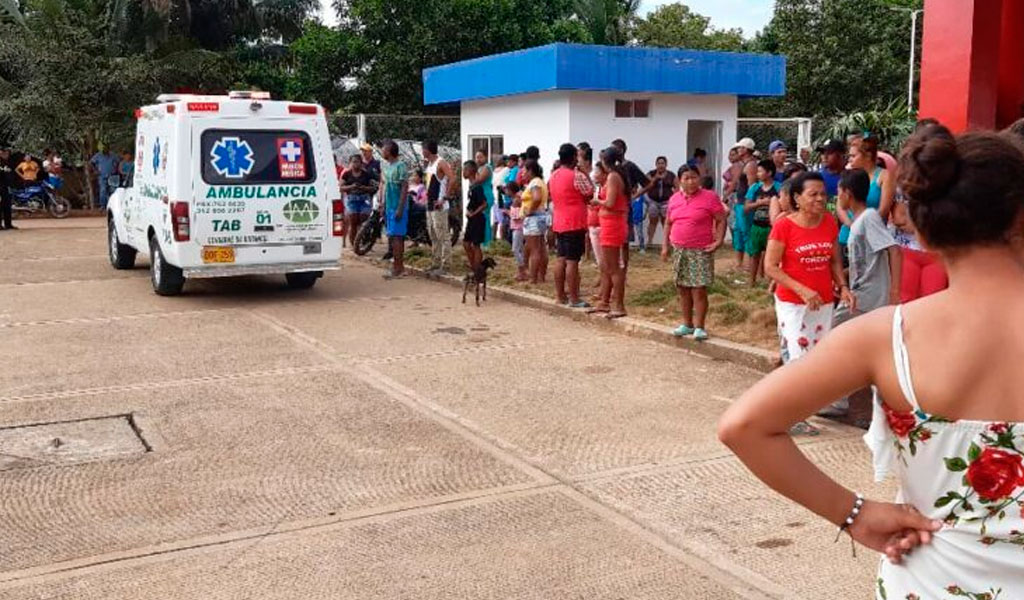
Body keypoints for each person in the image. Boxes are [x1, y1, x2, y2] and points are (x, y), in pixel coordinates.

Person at [719, 124, 1024, 599]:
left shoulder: (886, 336)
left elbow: (744, 425)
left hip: (930, 581)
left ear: (920, 226)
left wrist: (853, 513)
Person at [763, 172, 854, 435]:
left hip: (823, 302)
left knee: (815, 361)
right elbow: (770, 266)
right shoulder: (784, 225)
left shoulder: (828, 222)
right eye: (812, 194)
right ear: (797, 198)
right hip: (793, 303)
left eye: (823, 194)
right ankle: (789, 416)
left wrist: (843, 286)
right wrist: (802, 289)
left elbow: (834, 259)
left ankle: (791, 409)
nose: (820, 199)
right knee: (797, 358)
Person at [662, 165, 726, 341]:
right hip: (679, 249)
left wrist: (719, 241)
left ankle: (700, 326)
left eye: (693, 177)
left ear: (699, 178)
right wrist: (665, 246)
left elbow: (721, 220)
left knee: (698, 289)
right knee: (683, 288)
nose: (690, 181)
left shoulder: (710, 197)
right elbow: (668, 223)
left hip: (700, 250)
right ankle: (687, 324)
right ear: (680, 181)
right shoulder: (674, 199)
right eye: (686, 178)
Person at [549, 143, 594, 308]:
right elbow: (589, 193)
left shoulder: (554, 175)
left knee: (560, 258)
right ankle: (574, 298)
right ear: (574, 157)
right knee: (573, 261)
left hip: (559, 221)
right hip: (575, 221)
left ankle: (560, 295)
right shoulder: (576, 175)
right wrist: (584, 172)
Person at [588, 148, 630, 319]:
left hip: (613, 224)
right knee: (606, 266)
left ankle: (619, 305)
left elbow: (611, 202)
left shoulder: (613, 176)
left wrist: (598, 201)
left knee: (613, 268)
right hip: (608, 223)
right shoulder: (615, 176)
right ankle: (604, 302)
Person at [838, 136, 894, 261]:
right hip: (847, 236)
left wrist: (864, 227)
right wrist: (852, 226)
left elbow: (884, 209)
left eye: (853, 156)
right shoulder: (848, 174)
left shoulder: (884, 176)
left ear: (868, 156)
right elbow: (840, 206)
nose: (850, 160)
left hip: (872, 238)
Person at [891, 196, 947, 302]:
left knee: (934, 301)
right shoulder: (902, 186)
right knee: (904, 301)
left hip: (936, 253)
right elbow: (900, 220)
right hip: (907, 251)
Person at [610, 139, 650, 271]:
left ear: (621, 150)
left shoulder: (630, 166)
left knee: (625, 241)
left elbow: (647, 183)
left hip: (625, 207)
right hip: (611, 207)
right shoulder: (610, 167)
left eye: (614, 149)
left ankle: (624, 270)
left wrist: (636, 195)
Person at [744, 159, 780, 287]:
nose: (757, 174)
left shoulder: (779, 187)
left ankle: (770, 282)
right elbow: (746, 207)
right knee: (754, 254)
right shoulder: (754, 187)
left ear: (769, 173)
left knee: (771, 256)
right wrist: (759, 203)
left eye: (760, 171)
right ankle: (751, 282)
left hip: (772, 227)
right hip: (756, 226)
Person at [423, 140, 454, 276]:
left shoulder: (441, 163)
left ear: (427, 150)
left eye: (423, 149)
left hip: (439, 205)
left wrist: (444, 198)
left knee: (443, 235)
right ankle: (435, 262)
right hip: (430, 204)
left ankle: (446, 265)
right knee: (433, 235)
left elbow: (452, 178)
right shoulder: (429, 164)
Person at [378, 140, 408, 279]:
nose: (382, 151)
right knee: (392, 237)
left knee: (397, 238)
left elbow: (404, 188)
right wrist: (383, 204)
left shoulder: (400, 166)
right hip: (389, 206)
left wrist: (400, 208)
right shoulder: (387, 167)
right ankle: (398, 267)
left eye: (383, 149)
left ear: (389, 151)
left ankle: (398, 268)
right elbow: (384, 187)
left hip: (397, 206)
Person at [520, 159, 549, 284]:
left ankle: (533, 278)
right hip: (540, 217)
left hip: (534, 219)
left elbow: (536, 198)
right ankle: (541, 276)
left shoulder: (535, 183)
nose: (522, 173)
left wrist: (529, 211)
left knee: (534, 250)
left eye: (524, 171)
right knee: (541, 248)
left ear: (530, 171)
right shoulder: (540, 182)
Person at [731, 137, 758, 270]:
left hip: (745, 203)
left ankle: (749, 263)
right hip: (740, 202)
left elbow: (751, 186)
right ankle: (739, 262)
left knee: (746, 231)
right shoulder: (744, 163)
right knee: (738, 231)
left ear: (746, 149)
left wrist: (748, 203)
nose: (737, 150)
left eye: (740, 148)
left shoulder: (751, 165)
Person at [341, 154, 377, 248]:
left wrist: (364, 188)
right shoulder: (346, 174)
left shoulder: (367, 174)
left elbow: (373, 188)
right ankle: (354, 245)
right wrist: (351, 187)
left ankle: (363, 241)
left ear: (361, 163)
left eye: (357, 162)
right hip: (351, 199)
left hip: (364, 199)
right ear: (350, 163)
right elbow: (341, 187)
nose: (355, 164)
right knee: (353, 221)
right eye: (353, 162)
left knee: (363, 220)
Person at [645, 156, 675, 251]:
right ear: (656, 164)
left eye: (663, 163)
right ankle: (649, 242)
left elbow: (677, 188)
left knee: (665, 222)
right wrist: (656, 178)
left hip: (666, 202)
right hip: (653, 201)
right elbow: (646, 185)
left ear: (666, 164)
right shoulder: (650, 174)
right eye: (659, 163)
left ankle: (668, 243)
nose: (661, 165)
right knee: (652, 222)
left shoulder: (671, 175)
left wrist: (673, 201)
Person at [462, 161, 486, 272]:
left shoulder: (477, 187)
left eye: (465, 170)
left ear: (471, 171)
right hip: (471, 219)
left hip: (477, 219)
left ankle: (477, 269)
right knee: (466, 243)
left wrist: (474, 213)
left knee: (476, 245)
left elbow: (484, 204)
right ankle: (474, 266)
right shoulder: (471, 186)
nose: (463, 172)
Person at [816, 139, 846, 216]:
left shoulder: (850, 177)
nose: (824, 156)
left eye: (829, 153)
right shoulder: (816, 177)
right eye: (822, 153)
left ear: (840, 155)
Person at [472, 150, 496, 245]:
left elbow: (479, 180)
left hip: (486, 194)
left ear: (486, 157)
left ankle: (486, 242)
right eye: (477, 157)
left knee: (484, 218)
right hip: (479, 194)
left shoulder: (487, 167)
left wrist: (473, 172)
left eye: (480, 157)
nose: (478, 159)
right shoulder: (479, 168)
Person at [507, 182, 527, 281]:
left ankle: (522, 269)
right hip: (519, 227)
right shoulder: (518, 198)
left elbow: (516, 216)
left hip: (518, 227)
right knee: (521, 249)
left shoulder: (516, 200)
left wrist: (507, 212)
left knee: (515, 249)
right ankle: (523, 269)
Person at [492, 155, 509, 242]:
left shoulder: (494, 171)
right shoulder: (506, 170)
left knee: (495, 220)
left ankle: (493, 238)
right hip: (501, 197)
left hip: (494, 196)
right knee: (502, 220)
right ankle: (503, 240)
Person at [0, 147, 13, 230]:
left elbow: (10, 174)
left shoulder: (8, 163)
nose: (7, 155)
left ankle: (8, 224)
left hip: (6, 187)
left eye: (8, 153)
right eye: (5, 153)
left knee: (7, 205)